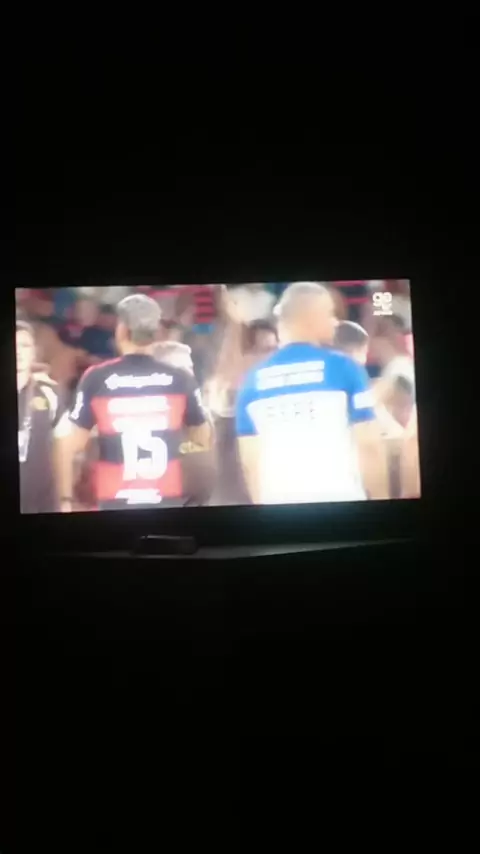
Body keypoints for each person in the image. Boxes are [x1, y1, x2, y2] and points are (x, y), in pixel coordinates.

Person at [54, 294, 212, 511]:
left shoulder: (97, 378)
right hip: (167, 503)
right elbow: (202, 438)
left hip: (115, 504)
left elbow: (67, 445)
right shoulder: (180, 378)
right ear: (156, 333)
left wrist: (65, 501)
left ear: (122, 330)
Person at [235, 282, 389, 504]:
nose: (335, 322)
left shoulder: (252, 381)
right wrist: (383, 501)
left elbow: (250, 463)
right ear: (311, 317)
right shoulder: (345, 368)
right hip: (342, 503)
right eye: (330, 314)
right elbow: (369, 445)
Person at [16, 321, 67, 513]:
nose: (18, 352)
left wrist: (65, 498)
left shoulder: (50, 393)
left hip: (42, 502)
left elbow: (63, 449)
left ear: (34, 353)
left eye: (25, 346)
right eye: (13, 345)